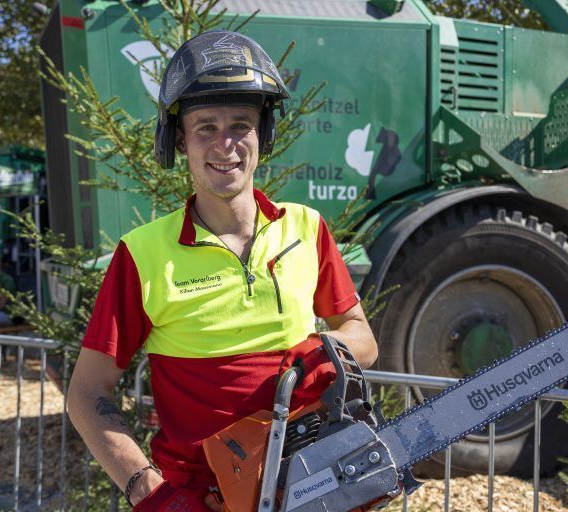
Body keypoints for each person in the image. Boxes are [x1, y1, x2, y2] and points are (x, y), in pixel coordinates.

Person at [67, 31, 378, 511]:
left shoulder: (306, 228)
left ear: (263, 135)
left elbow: (362, 335)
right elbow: (86, 392)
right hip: (200, 496)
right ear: (180, 141)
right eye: (205, 127)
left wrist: (324, 353)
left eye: (241, 125)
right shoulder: (143, 254)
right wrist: (146, 489)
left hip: (309, 485)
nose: (225, 144)